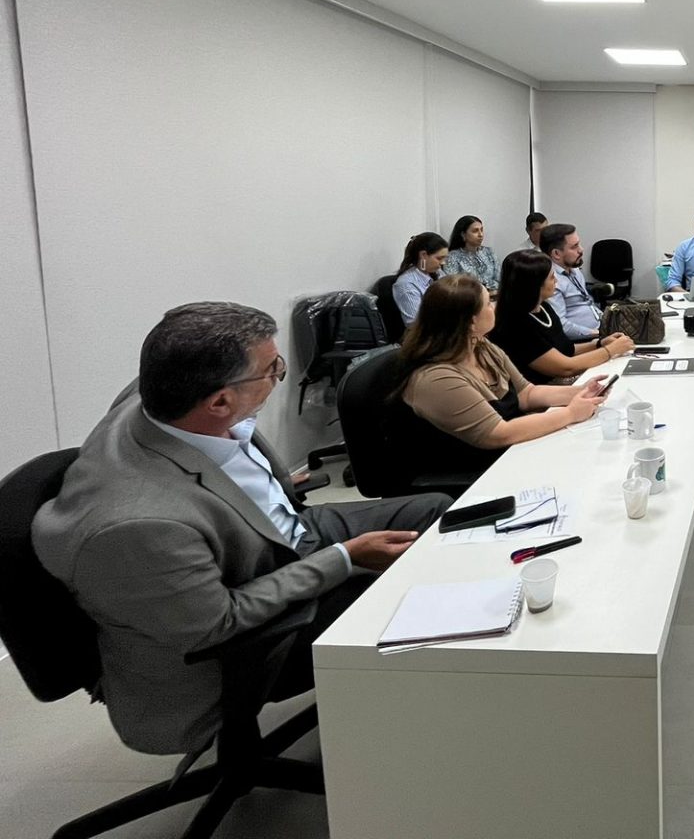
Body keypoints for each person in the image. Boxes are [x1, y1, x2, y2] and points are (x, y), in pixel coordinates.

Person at [31, 302, 450, 755]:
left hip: (278, 534)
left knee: (437, 513)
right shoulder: (140, 526)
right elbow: (220, 622)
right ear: (219, 402)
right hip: (234, 644)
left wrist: (275, 486)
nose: (279, 376)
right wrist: (345, 558)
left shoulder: (162, 396)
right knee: (393, 597)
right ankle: (417, 726)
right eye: (272, 371)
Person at [397, 274, 608, 466]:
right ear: (471, 322)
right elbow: (499, 434)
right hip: (478, 470)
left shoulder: (481, 346)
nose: (495, 306)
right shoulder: (436, 378)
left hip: (511, 452)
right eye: (488, 303)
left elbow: (526, 394)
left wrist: (580, 392)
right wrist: (570, 413)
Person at [490, 249, 635, 384]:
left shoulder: (544, 307)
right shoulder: (515, 325)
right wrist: (610, 351)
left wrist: (599, 344)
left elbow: (566, 349)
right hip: (543, 389)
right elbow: (565, 368)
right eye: (552, 278)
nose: (556, 281)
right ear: (535, 284)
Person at [540, 223, 602, 340]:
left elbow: (587, 303)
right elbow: (561, 325)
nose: (581, 250)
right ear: (556, 254)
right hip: (585, 340)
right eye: (574, 247)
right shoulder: (551, 281)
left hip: (599, 328)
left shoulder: (574, 270)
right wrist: (598, 333)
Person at [392, 231, 448, 326]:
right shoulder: (406, 284)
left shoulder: (438, 273)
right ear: (423, 255)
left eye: (444, 258)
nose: (443, 263)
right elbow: (416, 324)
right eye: (439, 258)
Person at [440, 214, 499, 294]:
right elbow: (452, 284)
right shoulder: (452, 257)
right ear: (463, 234)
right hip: (467, 298)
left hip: (494, 295)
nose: (480, 234)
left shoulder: (489, 252)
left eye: (481, 230)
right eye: (475, 231)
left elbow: (499, 279)